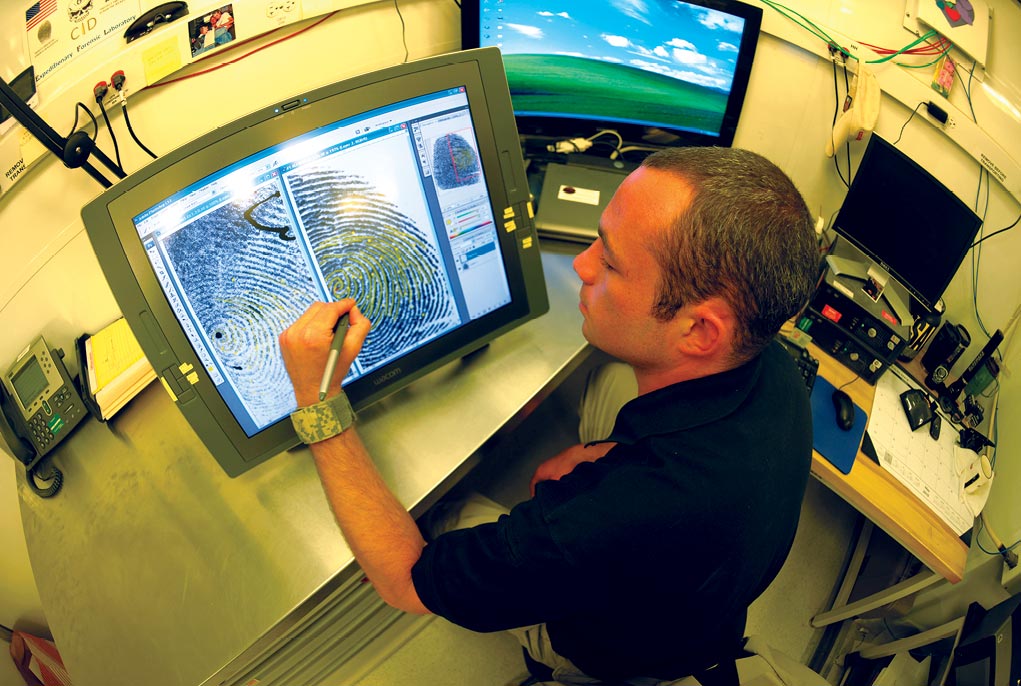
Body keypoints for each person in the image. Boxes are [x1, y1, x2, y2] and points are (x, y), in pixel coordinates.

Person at [278, 146, 820, 685]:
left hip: (614, 657)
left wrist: (320, 405)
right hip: (702, 603)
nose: (582, 265)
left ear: (701, 331)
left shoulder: (603, 524)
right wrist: (603, 459)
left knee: (446, 511)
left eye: (610, 262)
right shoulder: (771, 365)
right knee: (609, 383)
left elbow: (404, 581)